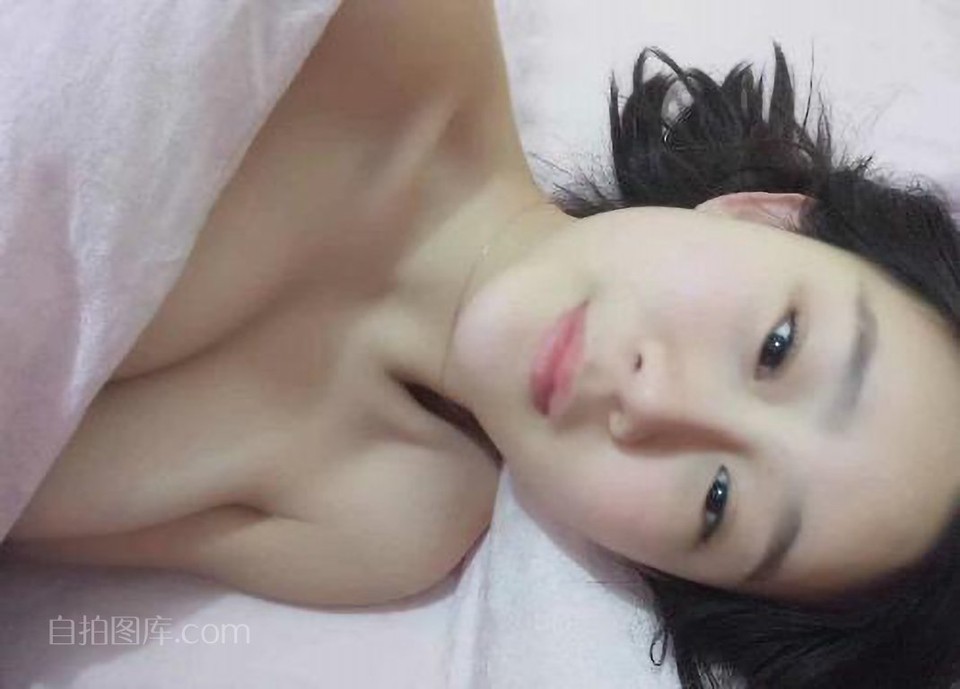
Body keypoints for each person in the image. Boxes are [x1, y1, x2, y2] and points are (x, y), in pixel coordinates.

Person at [3, 1, 959, 686]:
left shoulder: (377, 520)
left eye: (716, 500)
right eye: (777, 348)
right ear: (765, 216)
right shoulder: (400, 27)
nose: (652, 399)